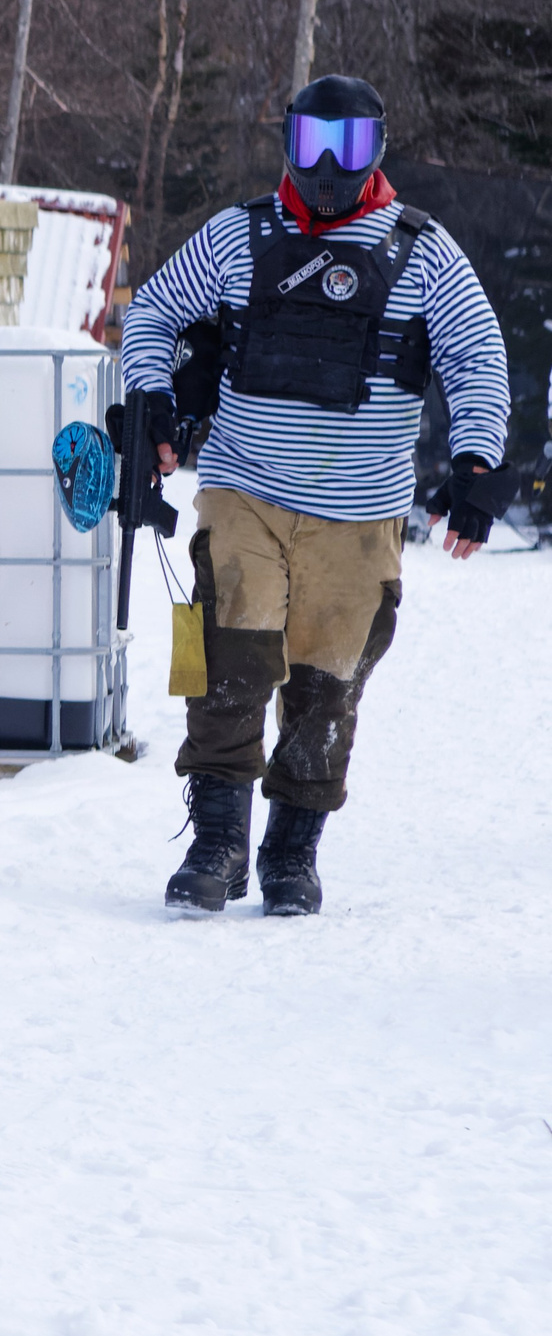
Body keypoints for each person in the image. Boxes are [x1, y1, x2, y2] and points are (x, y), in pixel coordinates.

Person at [122, 75, 513, 916]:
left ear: (377, 149)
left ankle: (291, 850)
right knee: (229, 656)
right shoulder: (238, 236)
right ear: (287, 144)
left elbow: (476, 353)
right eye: (311, 146)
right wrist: (152, 393)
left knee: (328, 685)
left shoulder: (422, 250)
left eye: (349, 148)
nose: (328, 166)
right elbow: (152, 311)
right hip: (245, 491)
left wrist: (477, 460)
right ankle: (217, 842)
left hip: (361, 513)